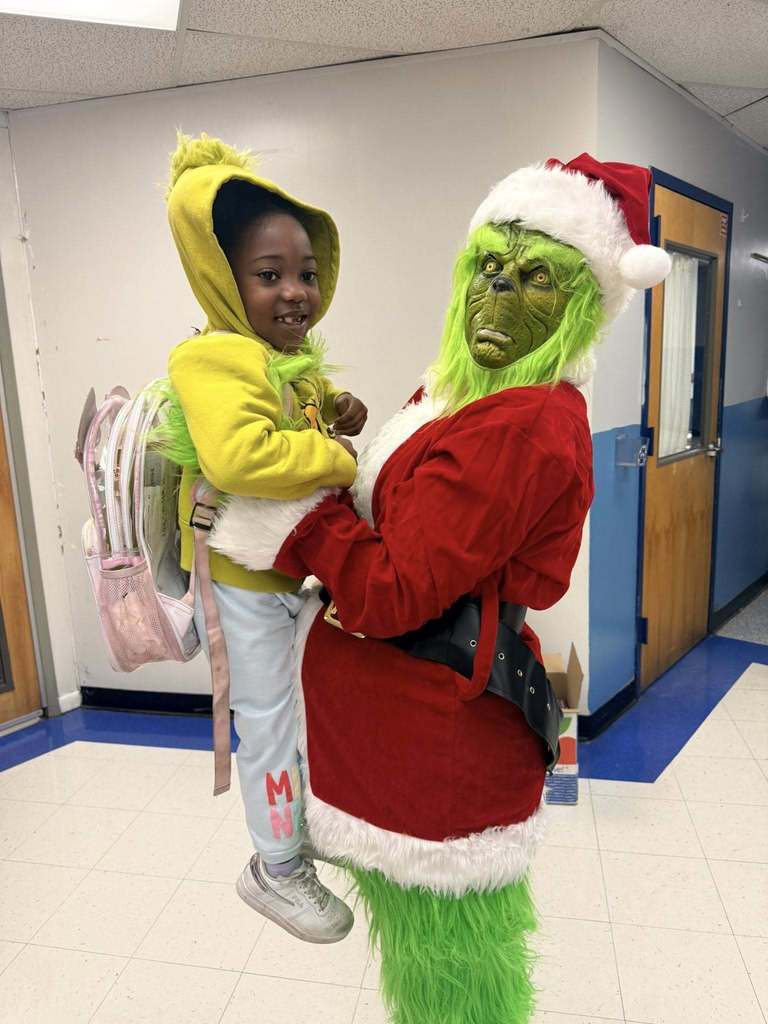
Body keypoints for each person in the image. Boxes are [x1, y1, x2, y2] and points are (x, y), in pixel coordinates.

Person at [208, 154, 671, 1021]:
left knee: (454, 985)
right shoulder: (463, 392)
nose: (497, 299)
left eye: (535, 279)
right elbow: (403, 516)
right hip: (399, 742)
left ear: (580, 303)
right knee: (430, 975)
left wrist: (294, 521)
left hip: (439, 756)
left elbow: (391, 591)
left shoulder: (527, 423)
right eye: (488, 270)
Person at [162, 133, 367, 944]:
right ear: (224, 278)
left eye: (306, 273)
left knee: (304, 711)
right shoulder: (212, 357)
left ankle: (296, 833)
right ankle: (273, 870)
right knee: (271, 721)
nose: (295, 293)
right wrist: (338, 455)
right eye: (269, 275)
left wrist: (336, 410)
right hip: (245, 584)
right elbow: (242, 455)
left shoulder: (281, 360)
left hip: (288, 577)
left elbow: (293, 421)